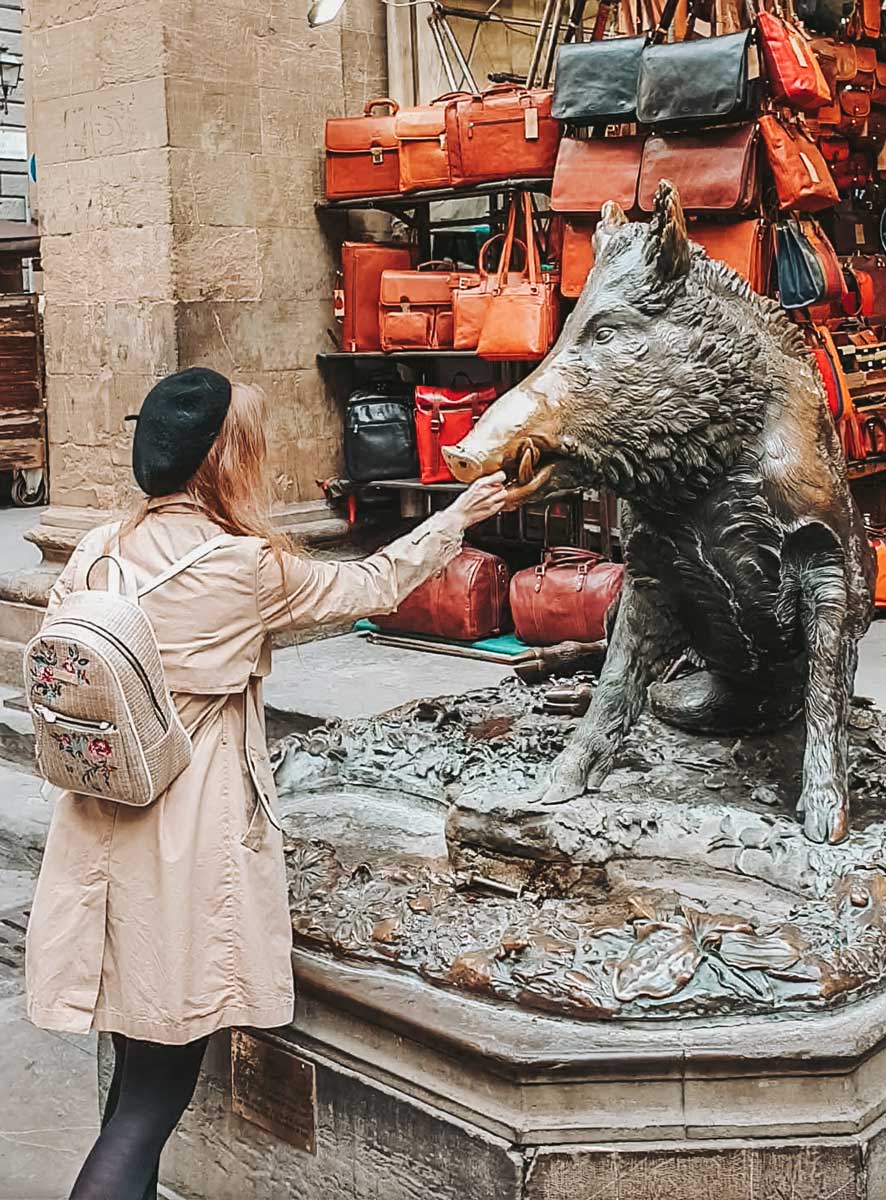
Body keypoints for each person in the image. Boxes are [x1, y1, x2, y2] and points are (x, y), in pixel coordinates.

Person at [24, 367, 507, 1200]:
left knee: (132, 1073)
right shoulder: (242, 567)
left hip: (97, 835)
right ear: (225, 462)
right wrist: (455, 518)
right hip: (180, 842)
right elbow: (369, 586)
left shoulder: (99, 551)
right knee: (151, 1099)